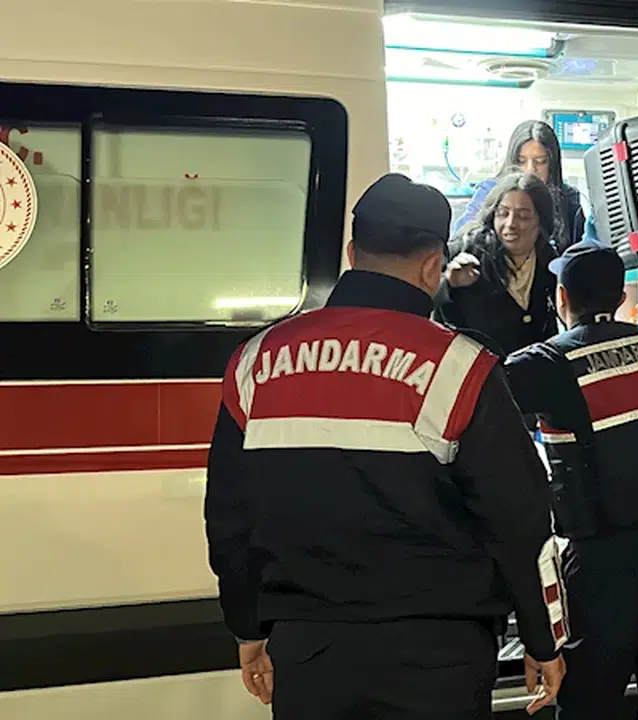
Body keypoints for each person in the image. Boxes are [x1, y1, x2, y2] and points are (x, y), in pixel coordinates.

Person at [203, 173, 567, 720]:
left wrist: (247, 626)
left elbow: (229, 514)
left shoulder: (257, 360)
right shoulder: (461, 367)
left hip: (309, 648)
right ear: (432, 265)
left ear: (353, 254)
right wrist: (542, 638)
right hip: (439, 657)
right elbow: (520, 518)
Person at [503, 239, 638, 720]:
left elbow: (479, 405)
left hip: (603, 564)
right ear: (621, 297)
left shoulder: (544, 362)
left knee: (589, 699)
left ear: (561, 297)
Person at [435, 171, 560, 358]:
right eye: (503, 214)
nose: (510, 224)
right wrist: (448, 283)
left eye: (523, 216)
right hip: (474, 368)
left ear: (540, 221)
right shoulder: (466, 251)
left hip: (532, 370)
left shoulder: (550, 261)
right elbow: (421, 303)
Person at [453, 120, 586, 253]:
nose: (530, 170)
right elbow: (462, 237)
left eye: (540, 161)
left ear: (552, 165)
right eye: (521, 161)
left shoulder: (568, 200)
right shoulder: (489, 192)